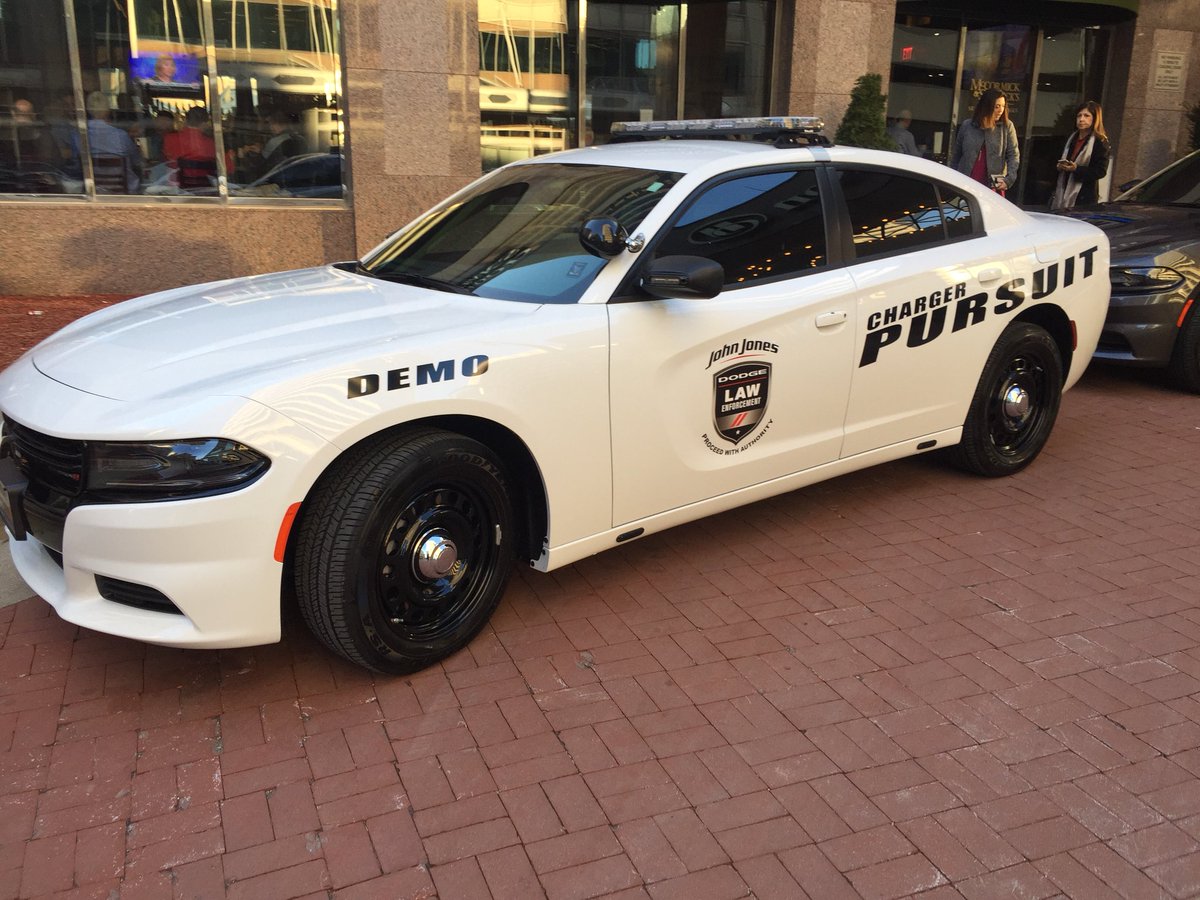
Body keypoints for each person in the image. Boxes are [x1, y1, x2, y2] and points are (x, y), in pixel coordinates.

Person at [949, 88, 1019, 197]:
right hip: (966, 181)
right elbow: (956, 155)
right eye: (997, 106)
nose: (1001, 110)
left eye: (1003, 106)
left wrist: (1009, 179)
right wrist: (951, 177)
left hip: (993, 185)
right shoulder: (967, 125)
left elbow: (1013, 155)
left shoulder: (1007, 126)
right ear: (986, 106)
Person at [1049, 100, 1111, 210]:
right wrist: (1060, 167)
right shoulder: (1070, 138)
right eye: (1079, 116)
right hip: (1061, 192)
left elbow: (1100, 171)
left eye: (1086, 116)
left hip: (1083, 197)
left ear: (1095, 119)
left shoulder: (1100, 142)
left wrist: (1076, 169)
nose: (1081, 119)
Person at [84, 91, 142, 193]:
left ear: (88, 110)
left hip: (92, 191)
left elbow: (76, 164)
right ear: (107, 110)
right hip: (125, 191)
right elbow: (137, 162)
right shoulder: (120, 135)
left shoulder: (79, 135)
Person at [163, 105, 232, 189]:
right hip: (206, 190)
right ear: (205, 123)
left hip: (176, 189)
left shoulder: (169, 138)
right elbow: (229, 168)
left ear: (186, 120)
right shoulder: (213, 143)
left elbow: (165, 163)